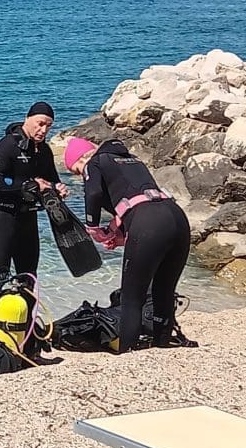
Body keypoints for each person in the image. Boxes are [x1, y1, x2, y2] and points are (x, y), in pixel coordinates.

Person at [64, 137, 191, 353]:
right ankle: (161, 346)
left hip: (148, 223)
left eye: (76, 170)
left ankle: (128, 355)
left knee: (132, 299)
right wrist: (119, 233)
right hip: (176, 218)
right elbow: (134, 201)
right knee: (164, 291)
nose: (80, 176)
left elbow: (93, 194)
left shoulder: (95, 162)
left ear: (83, 158)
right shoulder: (131, 160)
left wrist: (93, 228)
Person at [0, 102, 68, 300]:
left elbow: (51, 181)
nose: (43, 130)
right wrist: (29, 184)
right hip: (4, 217)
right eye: (40, 123)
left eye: (48, 126)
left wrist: (58, 190)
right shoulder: (7, 146)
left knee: (28, 275)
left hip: (28, 219)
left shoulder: (44, 151)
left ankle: (25, 322)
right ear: (27, 119)